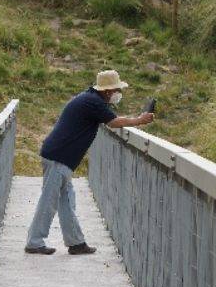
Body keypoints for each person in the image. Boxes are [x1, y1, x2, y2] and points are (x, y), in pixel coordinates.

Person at [25, 70, 154, 255]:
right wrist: (139, 120)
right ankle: (34, 242)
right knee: (50, 200)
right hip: (58, 157)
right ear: (108, 91)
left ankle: (76, 242)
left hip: (60, 157)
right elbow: (114, 122)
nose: (119, 93)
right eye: (117, 89)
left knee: (67, 201)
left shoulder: (91, 99)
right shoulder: (92, 102)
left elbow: (110, 118)